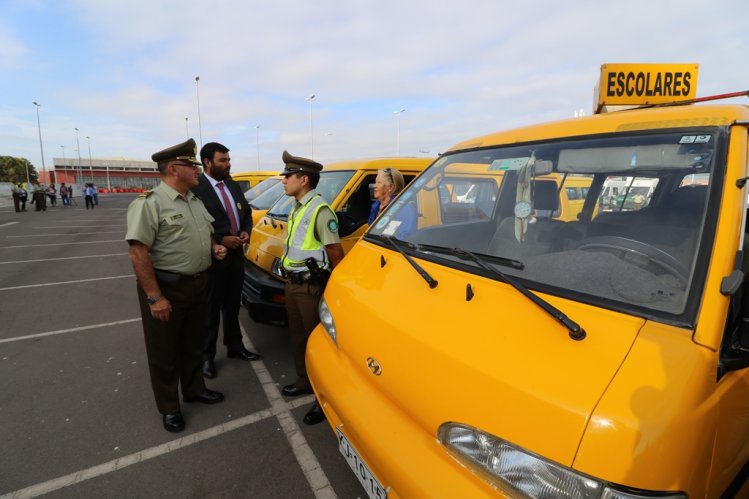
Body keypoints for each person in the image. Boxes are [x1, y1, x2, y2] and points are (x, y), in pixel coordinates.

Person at [125, 138, 228, 433]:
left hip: (198, 284)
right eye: (192, 165)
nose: (198, 170)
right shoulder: (149, 204)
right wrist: (155, 297)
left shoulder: (194, 201)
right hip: (167, 287)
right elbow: (138, 252)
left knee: (193, 342)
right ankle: (169, 407)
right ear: (174, 168)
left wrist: (214, 248)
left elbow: (203, 234)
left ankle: (195, 389)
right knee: (164, 351)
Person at [278, 150, 344, 425]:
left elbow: (334, 251)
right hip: (293, 285)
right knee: (297, 337)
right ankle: (304, 382)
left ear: (303, 179)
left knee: (316, 345)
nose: (283, 181)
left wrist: (336, 289)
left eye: (288, 176)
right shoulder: (298, 207)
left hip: (309, 287)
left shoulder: (319, 209)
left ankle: (321, 398)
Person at [191, 142, 259, 379]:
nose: (228, 164)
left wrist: (245, 231)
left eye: (228, 160)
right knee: (210, 310)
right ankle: (206, 356)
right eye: (222, 160)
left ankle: (235, 346)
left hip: (236, 258)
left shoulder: (231, 184)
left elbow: (246, 213)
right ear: (207, 162)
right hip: (213, 260)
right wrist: (220, 239)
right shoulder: (196, 188)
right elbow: (195, 225)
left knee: (232, 306)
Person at [368, 167, 417, 238]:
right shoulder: (376, 206)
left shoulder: (405, 209)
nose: (375, 186)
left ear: (390, 187)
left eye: (379, 182)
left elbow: (404, 239)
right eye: (375, 182)